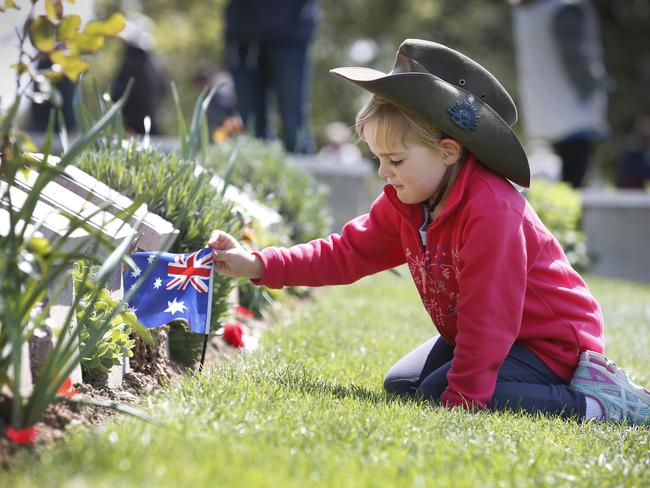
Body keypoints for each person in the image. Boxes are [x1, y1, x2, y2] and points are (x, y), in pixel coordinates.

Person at [208, 39, 650, 423]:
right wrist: (257, 263)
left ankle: (598, 403)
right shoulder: (408, 200)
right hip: (495, 335)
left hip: (548, 345)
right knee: (401, 385)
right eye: (377, 159)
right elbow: (345, 253)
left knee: (444, 395)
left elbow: (488, 318)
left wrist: (464, 400)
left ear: (448, 151)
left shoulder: (492, 210)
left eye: (395, 160)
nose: (384, 172)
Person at [511, 0, 610, 188]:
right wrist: (598, 85)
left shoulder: (526, 11)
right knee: (575, 180)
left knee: (564, 179)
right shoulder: (565, 8)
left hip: (544, 107)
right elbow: (575, 59)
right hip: (575, 109)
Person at [223, 0, 319, 153]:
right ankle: (253, 173)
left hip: (291, 32)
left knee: (293, 122)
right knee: (250, 125)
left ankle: (301, 170)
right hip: (243, 36)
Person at [111, 15, 167, 135]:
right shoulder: (156, 62)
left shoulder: (133, 62)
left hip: (132, 127)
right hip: (152, 123)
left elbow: (119, 94)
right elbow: (163, 91)